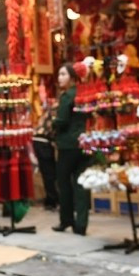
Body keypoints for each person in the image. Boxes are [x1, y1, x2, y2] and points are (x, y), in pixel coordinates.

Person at [52, 63, 90, 235]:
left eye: (63, 74)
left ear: (73, 77)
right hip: (84, 142)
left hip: (68, 145)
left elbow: (62, 121)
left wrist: (52, 122)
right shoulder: (84, 93)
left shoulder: (67, 96)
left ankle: (66, 220)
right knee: (81, 183)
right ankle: (81, 224)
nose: (59, 78)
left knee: (64, 183)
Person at [32, 98, 59, 210]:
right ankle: (52, 200)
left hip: (40, 141)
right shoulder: (57, 109)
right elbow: (54, 127)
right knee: (49, 173)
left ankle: (51, 199)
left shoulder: (53, 107)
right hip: (43, 142)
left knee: (48, 172)